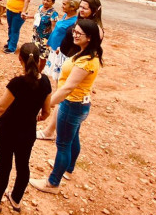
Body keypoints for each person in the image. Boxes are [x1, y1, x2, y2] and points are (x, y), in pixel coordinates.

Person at [0, 43, 52, 212]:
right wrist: (36, 118)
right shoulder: (45, 82)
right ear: (39, 59)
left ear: (20, 59)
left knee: (4, 165)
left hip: (8, 128)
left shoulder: (17, 83)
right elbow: (46, 111)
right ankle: (16, 199)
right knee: (23, 165)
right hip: (28, 130)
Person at [30, 18, 103, 194]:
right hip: (79, 104)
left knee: (62, 144)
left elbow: (69, 88)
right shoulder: (85, 53)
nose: (75, 35)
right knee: (72, 138)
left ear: (90, 37)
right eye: (74, 31)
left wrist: (46, 105)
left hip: (72, 104)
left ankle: (52, 183)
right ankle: (68, 167)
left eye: (79, 33)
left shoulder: (85, 62)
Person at [39, 0, 99, 141]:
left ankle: (49, 131)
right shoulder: (77, 20)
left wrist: (46, 106)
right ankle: (50, 129)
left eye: (85, 8)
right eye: (81, 7)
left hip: (74, 66)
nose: (82, 10)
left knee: (63, 95)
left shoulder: (93, 29)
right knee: (59, 89)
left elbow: (68, 88)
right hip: (65, 58)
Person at [32, 0, 59, 66]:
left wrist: (53, 41)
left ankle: (39, 72)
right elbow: (37, 17)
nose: (45, 2)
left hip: (45, 39)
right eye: (44, 0)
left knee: (42, 57)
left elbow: (54, 28)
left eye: (48, 1)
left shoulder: (53, 14)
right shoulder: (40, 7)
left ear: (53, 3)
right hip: (36, 35)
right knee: (34, 53)